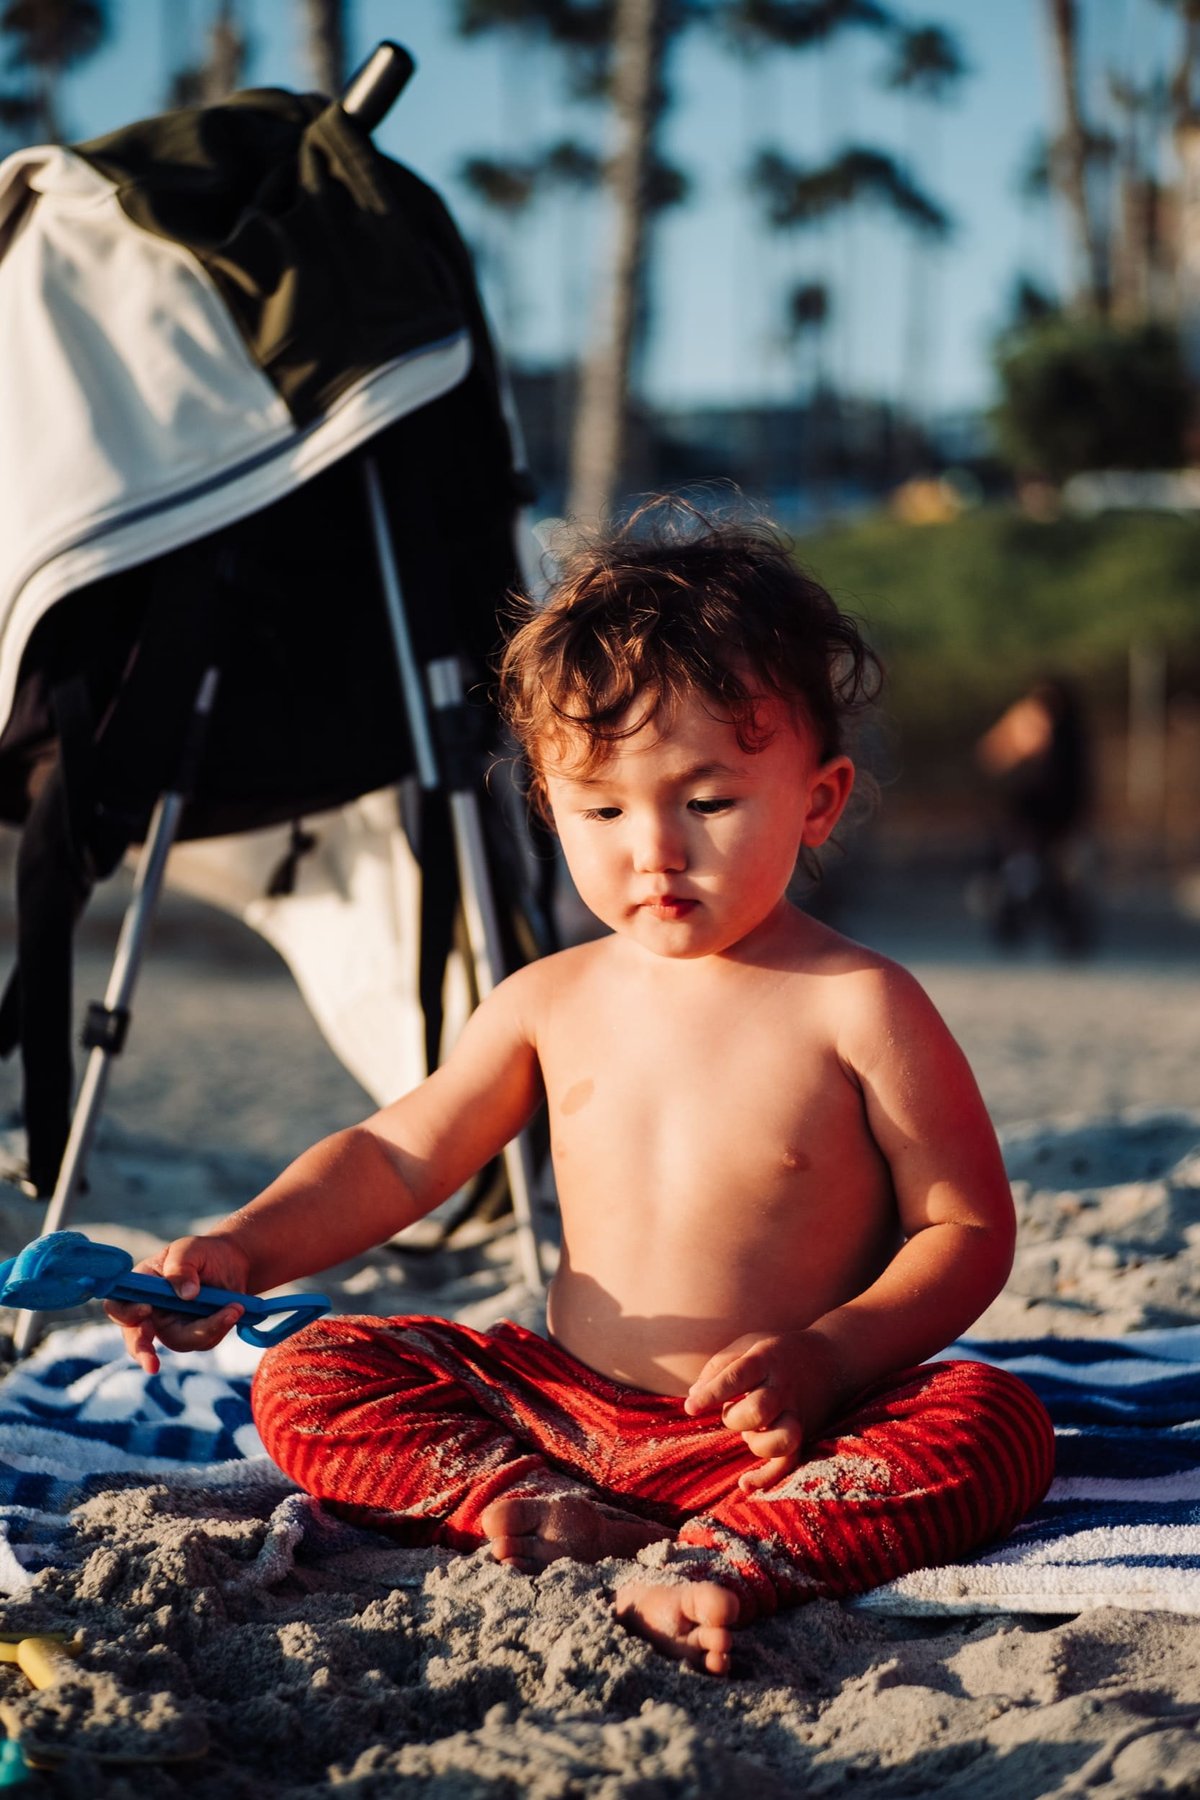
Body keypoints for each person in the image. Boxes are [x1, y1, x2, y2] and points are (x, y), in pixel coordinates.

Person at [107, 505, 1055, 1677]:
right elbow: (398, 1158)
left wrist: (829, 1356)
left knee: (993, 1423)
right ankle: (526, 1503)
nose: (653, 848)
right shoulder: (546, 997)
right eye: (602, 809)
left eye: (707, 802)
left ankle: (733, 1557)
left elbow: (963, 1227)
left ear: (816, 800)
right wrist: (246, 1248)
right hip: (564, 1410)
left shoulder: (860, 1003)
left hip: (784, 1430)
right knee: (312, 1374)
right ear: (550, 805)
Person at [974, 675, 1095, 954]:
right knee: (1022, 871)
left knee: (1063, 877)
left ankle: (1063, 930)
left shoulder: (1070, 736)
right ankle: (1016, 922)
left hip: (1058, 815)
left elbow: (1080, 783)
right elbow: (992, 760)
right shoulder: (1024, 725)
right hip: (1027, 814)